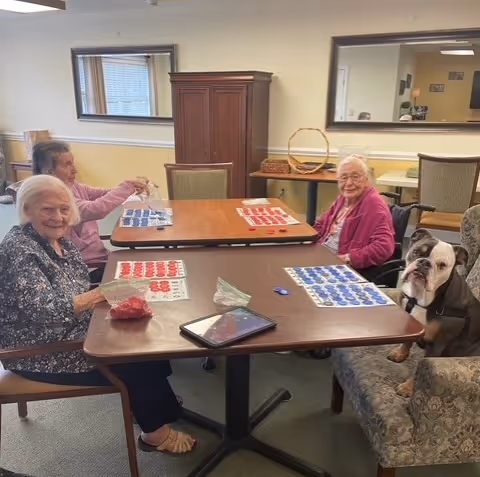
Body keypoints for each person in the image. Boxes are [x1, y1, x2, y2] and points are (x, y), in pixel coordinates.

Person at [0, 175, 195, 454]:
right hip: (39, 349)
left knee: (147, 333)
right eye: (47, 209)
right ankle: (155, 432)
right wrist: (103, 293)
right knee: (135, 355)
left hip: (74, 327)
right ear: (27, 210)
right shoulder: (21, 249)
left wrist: (111, 294)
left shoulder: (59, 240)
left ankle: (153, 405)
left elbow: (76, 287)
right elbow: (48, 312)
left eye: (64, 209)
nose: (58, 217)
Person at [32, 141, 152, 283]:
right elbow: (95, 209)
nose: (75, 170)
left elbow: (98, 194)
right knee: (147, 274)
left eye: (72, 163)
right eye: (67, 165)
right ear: (49, 171)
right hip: (86, 269)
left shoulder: (70, 185)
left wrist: (128, 188)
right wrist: (126, 188)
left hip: (101, 257)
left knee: (146, 264)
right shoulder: (52, 198)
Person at [315, 155, 395, 276]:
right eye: (343, 178)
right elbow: (322, 224)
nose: (349, 183)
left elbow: (384, 247)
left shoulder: (374, 205)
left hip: (342, 268)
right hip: (322, 254)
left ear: (366, 179)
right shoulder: (343, 198)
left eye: (355, 177)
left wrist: (347, 258)